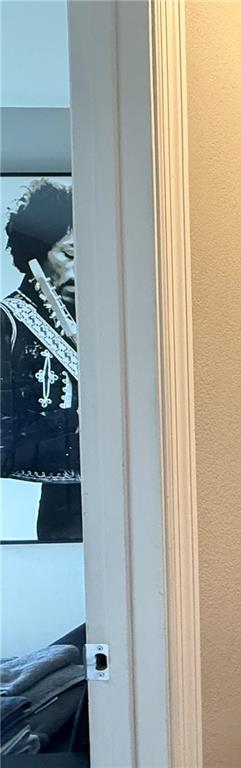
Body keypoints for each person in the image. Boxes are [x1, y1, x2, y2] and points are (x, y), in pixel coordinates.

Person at [0, 179, 81, 541]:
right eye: (70, 254)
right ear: (37, 256)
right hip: (43, 500)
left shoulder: (106, 321)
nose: (83, 270)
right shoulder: (8, 322)